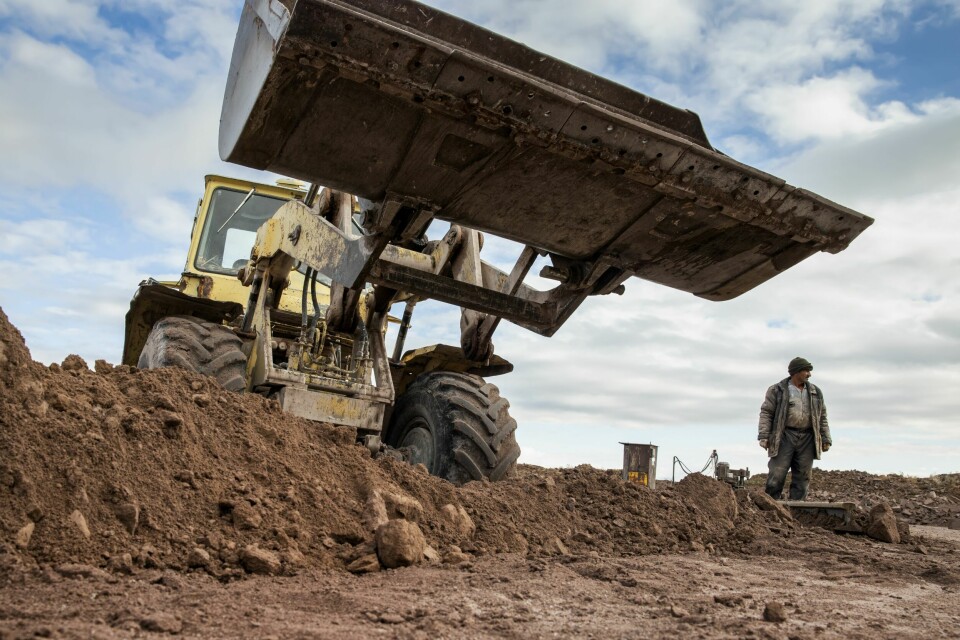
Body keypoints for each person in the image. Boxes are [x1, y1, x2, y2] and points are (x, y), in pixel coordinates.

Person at [757, 357, 831, 500]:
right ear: (796, 372)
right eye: (806, 371)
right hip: (784, 436)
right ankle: (770, 508)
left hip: (807, 438)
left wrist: (826, 438)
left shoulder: (815, 392)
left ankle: (798, 511)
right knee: (777, 474)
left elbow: (822, 416)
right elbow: (766, 412)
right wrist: (764, 436)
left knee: (803, 477)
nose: (809, 374)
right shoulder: (777, 390)